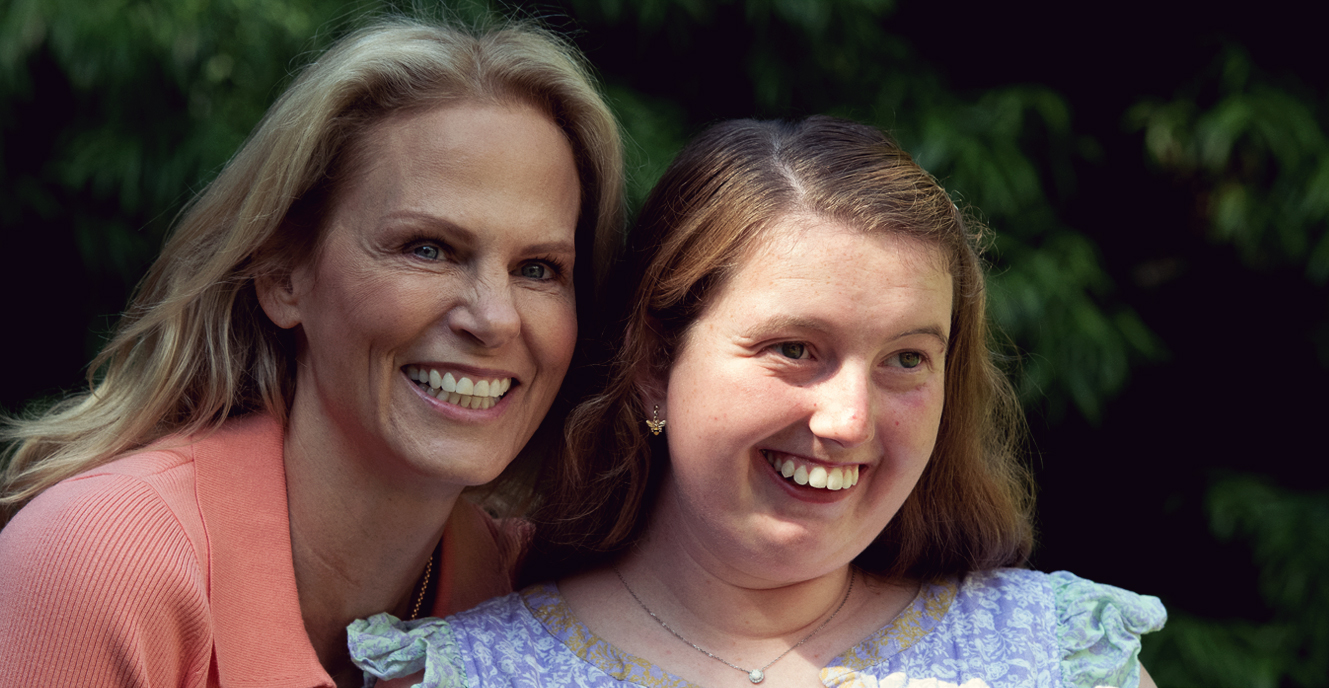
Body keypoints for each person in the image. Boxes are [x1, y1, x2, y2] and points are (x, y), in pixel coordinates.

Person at [349, 116, 1164, 688]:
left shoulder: (1059, 657)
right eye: (794, 349)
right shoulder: (472, 674)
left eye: (906, 359)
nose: (847, 420)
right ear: (655, 365)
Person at [0, 17, 625, 687]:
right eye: (428, 249)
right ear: (282, 274)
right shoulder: (100, 558)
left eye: (538, 268)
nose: (494, 318)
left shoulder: (543, 608)